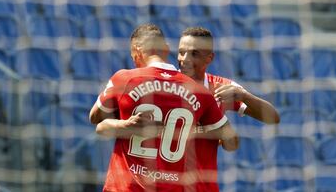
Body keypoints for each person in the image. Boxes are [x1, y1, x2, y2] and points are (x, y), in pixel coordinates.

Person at [89, 23, 237, 192]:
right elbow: (231, 141)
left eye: (132, 55)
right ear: (166, 49)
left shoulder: (124, 79)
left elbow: (95, 117)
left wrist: (124, 125)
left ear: (137, 50)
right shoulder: (199, 92)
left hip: (126, 187)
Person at [177, 26, 280, 191]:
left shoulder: (220, 88)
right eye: (181, 52)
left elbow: (273, 118)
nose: (185, 59)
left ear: (209, 58)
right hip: (165, 182)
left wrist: (244, 95)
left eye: (194, 53)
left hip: (203, 185)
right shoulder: (163, 83)